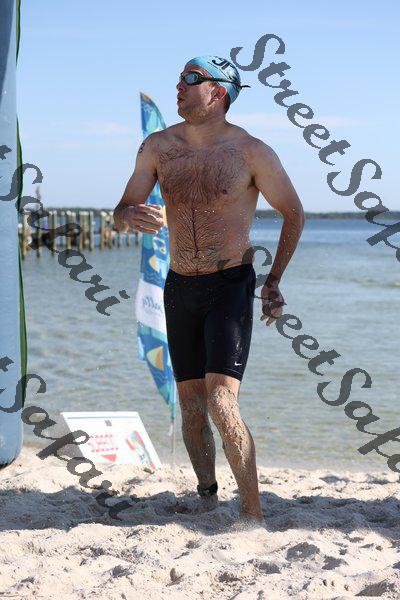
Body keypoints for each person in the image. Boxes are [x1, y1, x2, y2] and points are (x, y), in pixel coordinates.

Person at [114, 55, 305, 524]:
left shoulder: (251, 151)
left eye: (191, 79)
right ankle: (207, 497)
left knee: (221, 400)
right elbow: (121, 210)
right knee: (192, 407)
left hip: (229, 285)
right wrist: (129, 216)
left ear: (218, 92)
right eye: (179, 77)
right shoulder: (158, 147)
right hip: (179, 285)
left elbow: (294, 212)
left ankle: (252, 515)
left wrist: (274, 280)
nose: (179, 86)